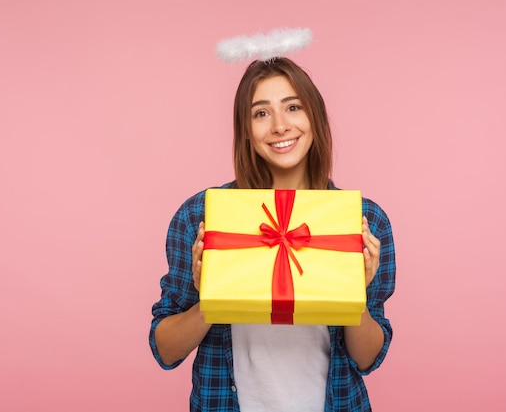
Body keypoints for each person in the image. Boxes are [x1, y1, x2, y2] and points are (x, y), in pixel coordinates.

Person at [149, 57, 396, 412]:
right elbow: (165, 350)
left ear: (314, 117)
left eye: (293, 107)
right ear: (246, 129)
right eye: (261, 113)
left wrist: (353, 296)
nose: (280, 126)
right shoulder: (202, 216)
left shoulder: (363, 220)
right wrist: (211, 299)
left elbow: (368, 359)